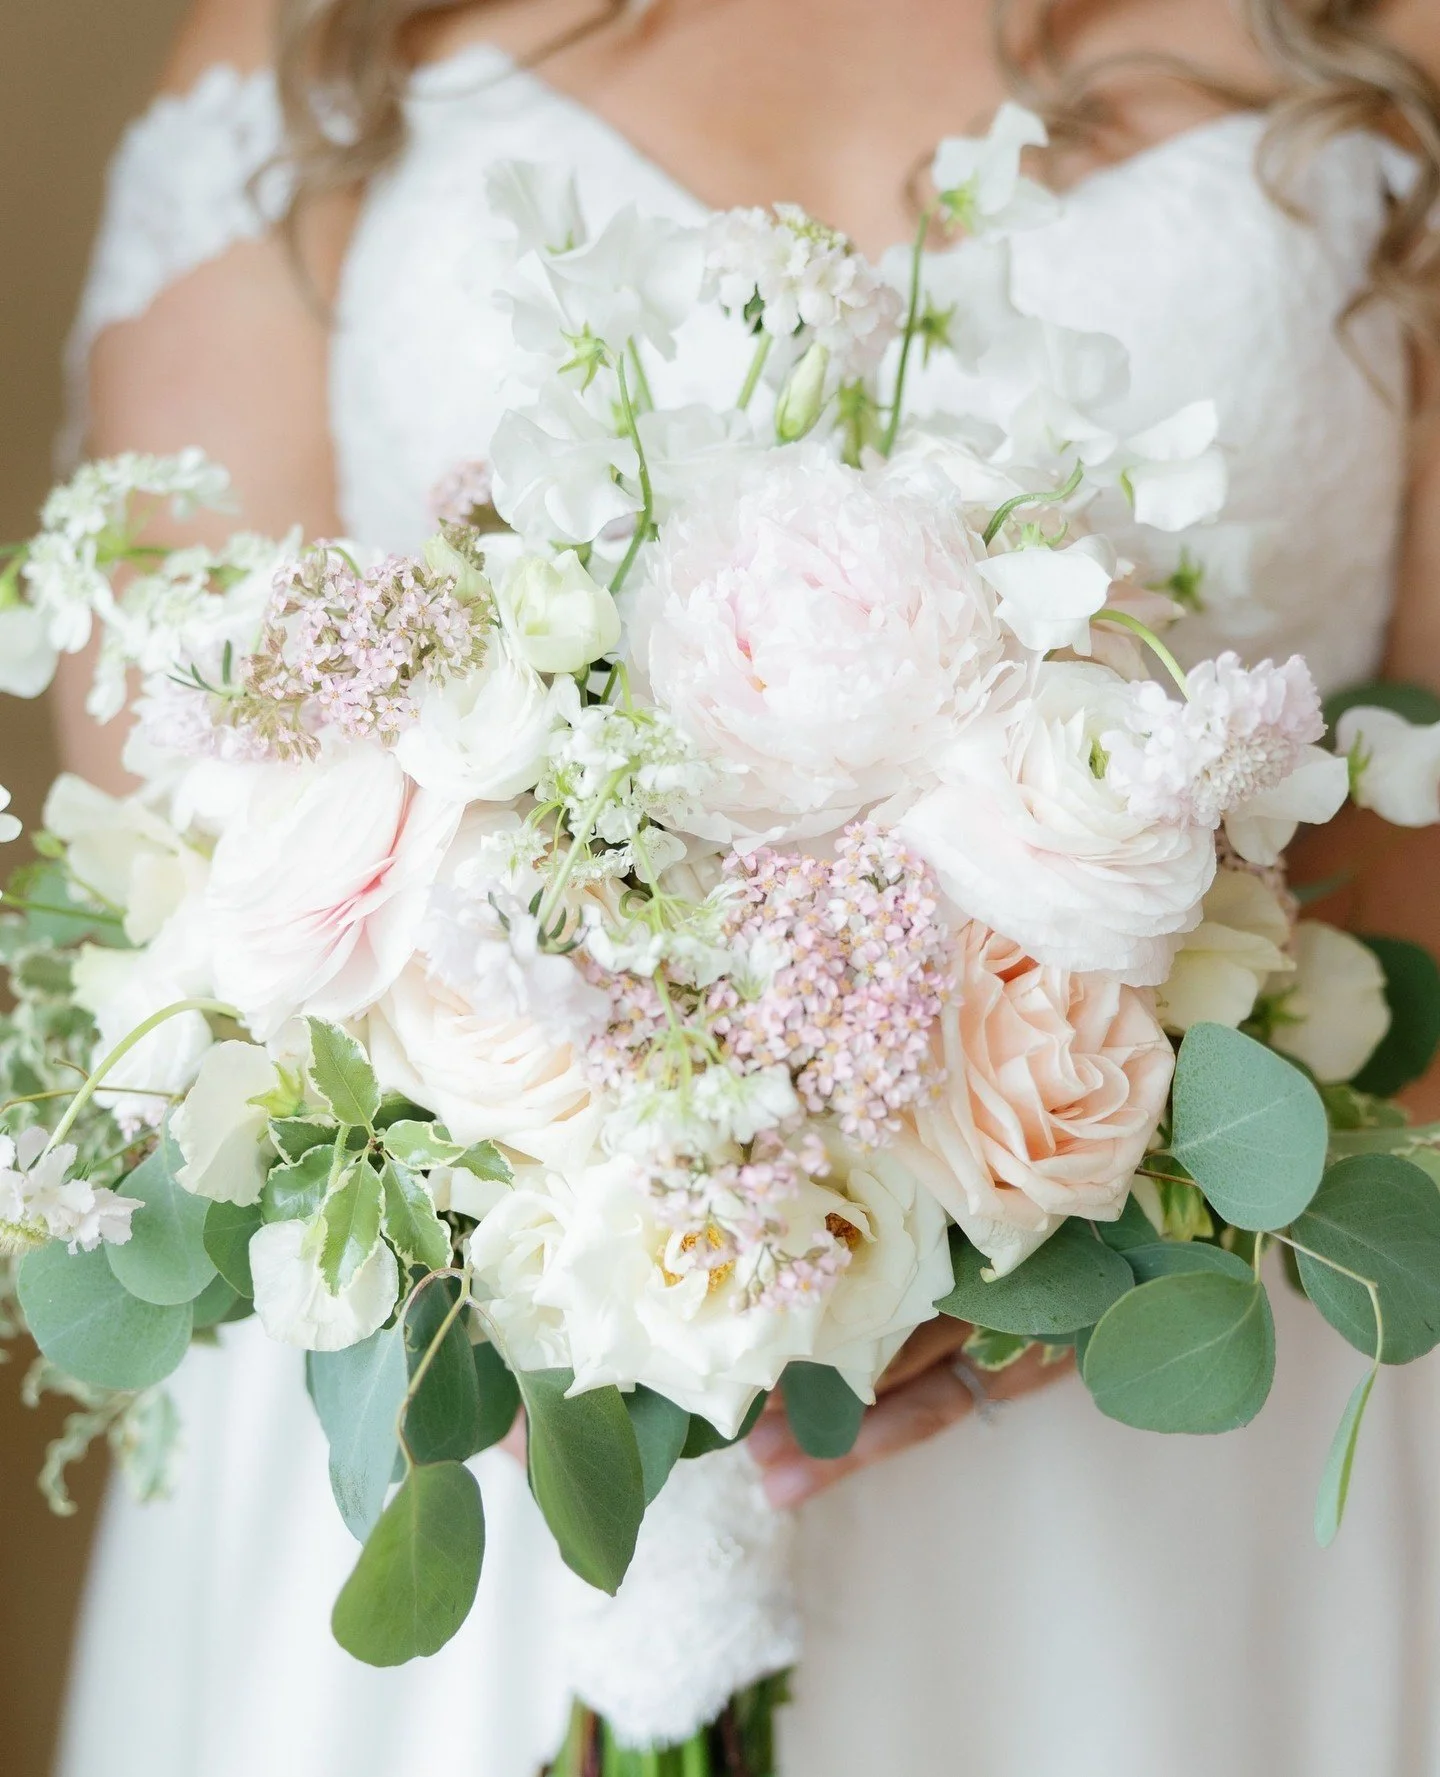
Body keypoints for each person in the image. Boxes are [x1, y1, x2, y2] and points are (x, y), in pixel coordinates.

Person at [52, 1, 1440, 1771]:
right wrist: (533, 1177)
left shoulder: (1381, 37)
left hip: (1161, 1437)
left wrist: (1065, 1203)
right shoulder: (314, 31)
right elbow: (176, 756)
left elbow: (1426, 825)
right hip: (468, 1384)